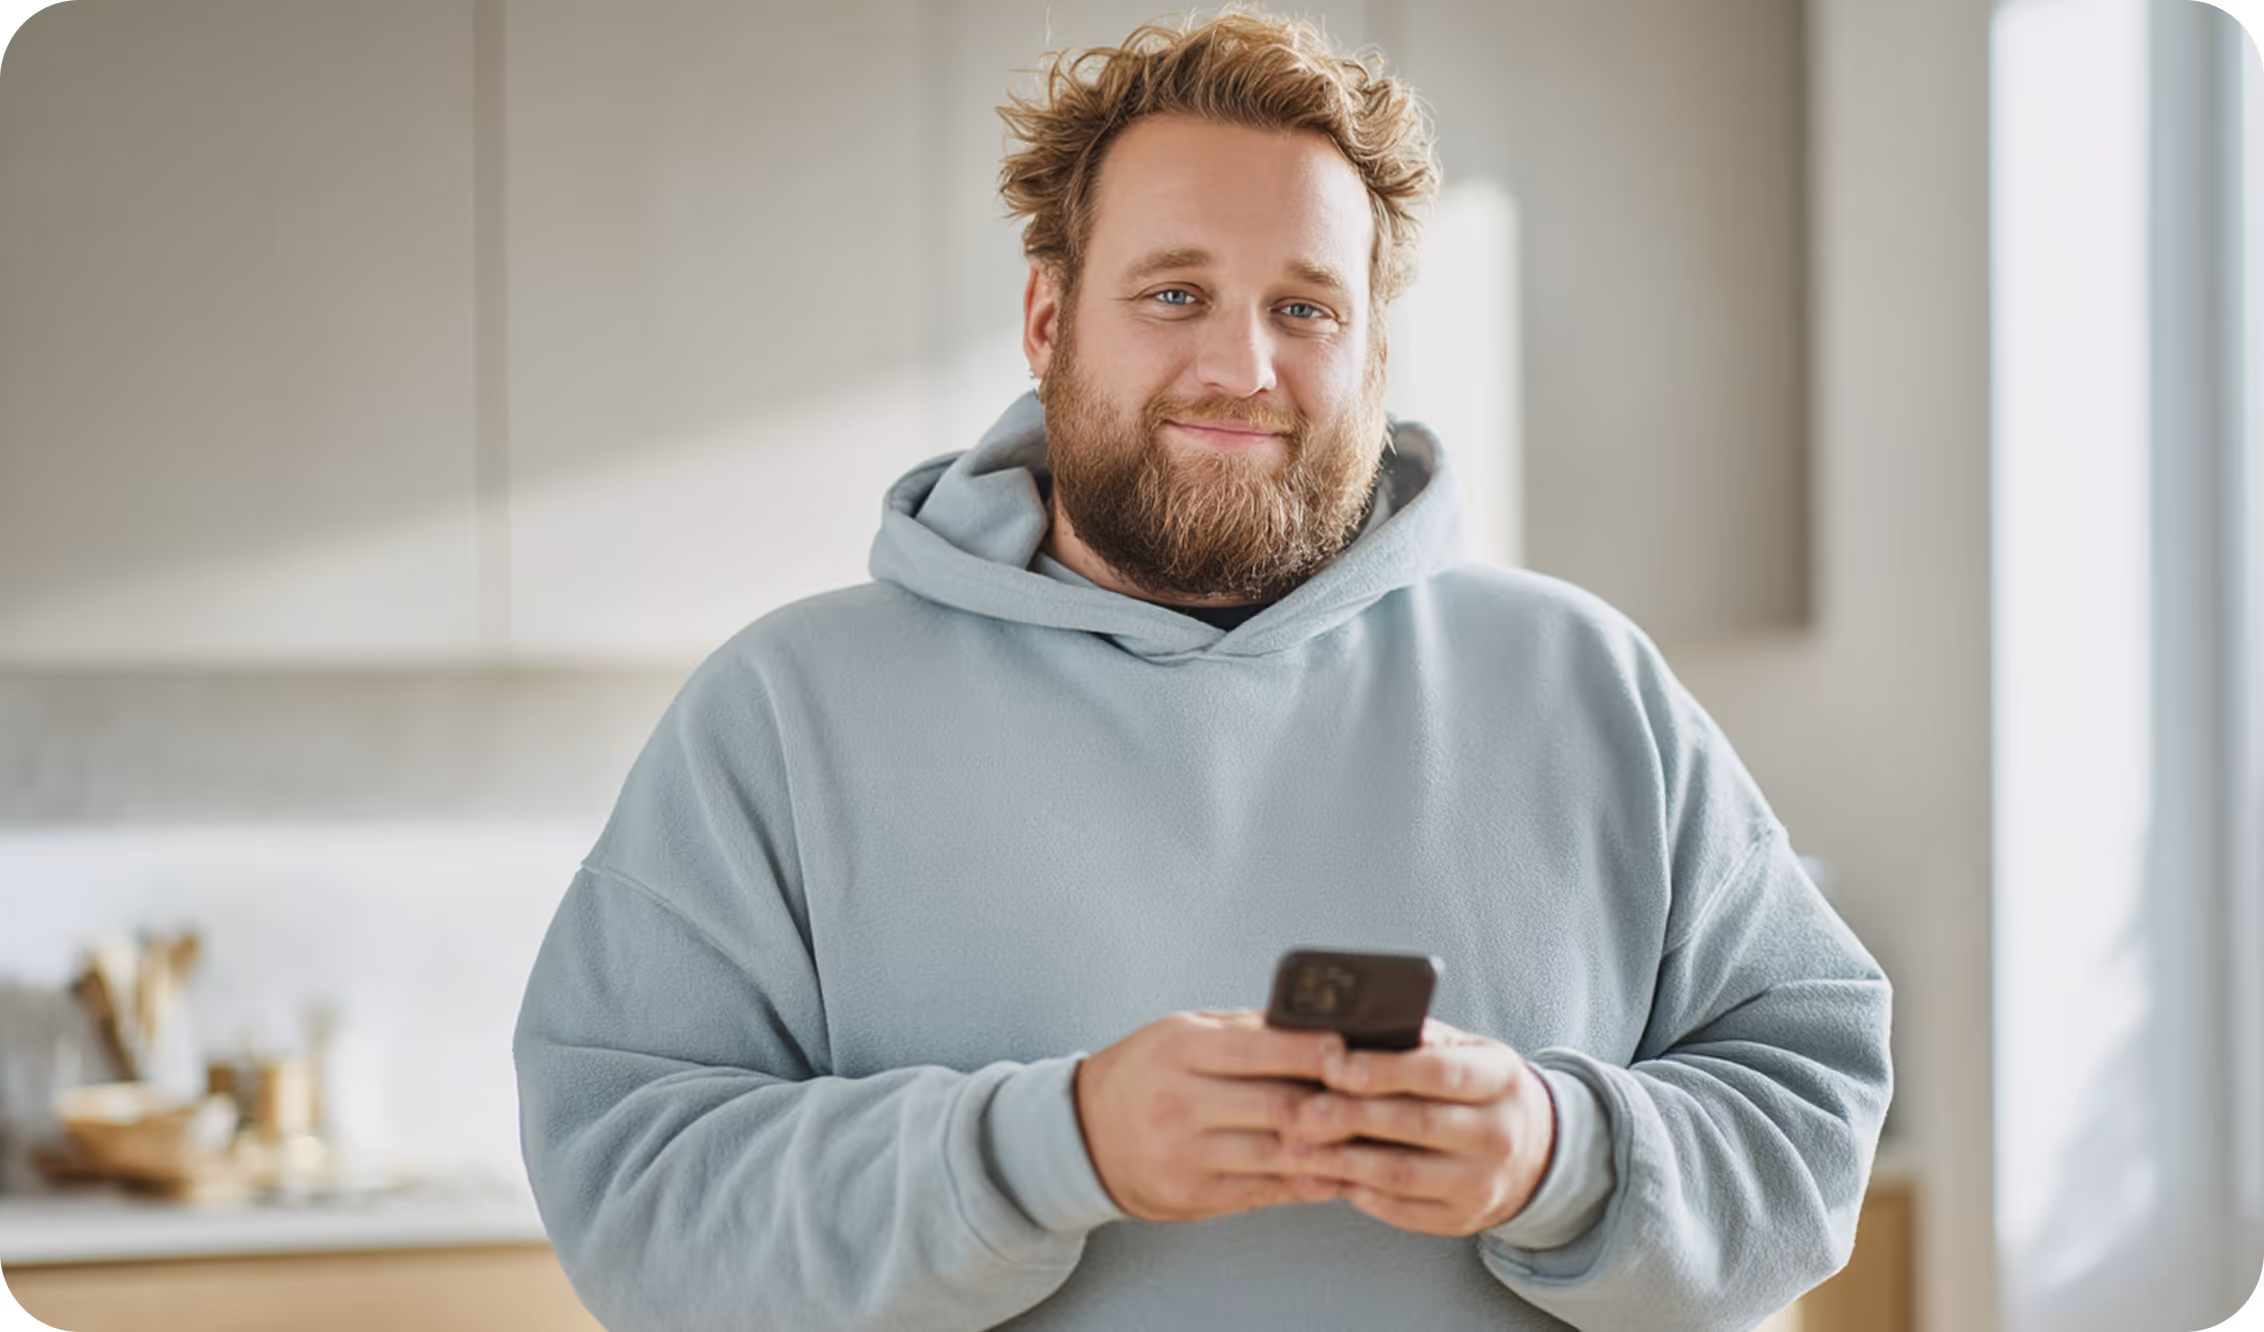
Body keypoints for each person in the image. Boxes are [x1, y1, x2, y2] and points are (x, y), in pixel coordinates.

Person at [512, 10, 1893, 1330]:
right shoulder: (783, 712)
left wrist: (1562, 1155)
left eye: (1306, 308)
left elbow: (1811, 1113)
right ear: (1049, 322)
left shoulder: (1588, 684)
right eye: (1176, 293)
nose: (1243, 366)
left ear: (1376, 352)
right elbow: (635, 1199)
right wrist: (1048, 1150)